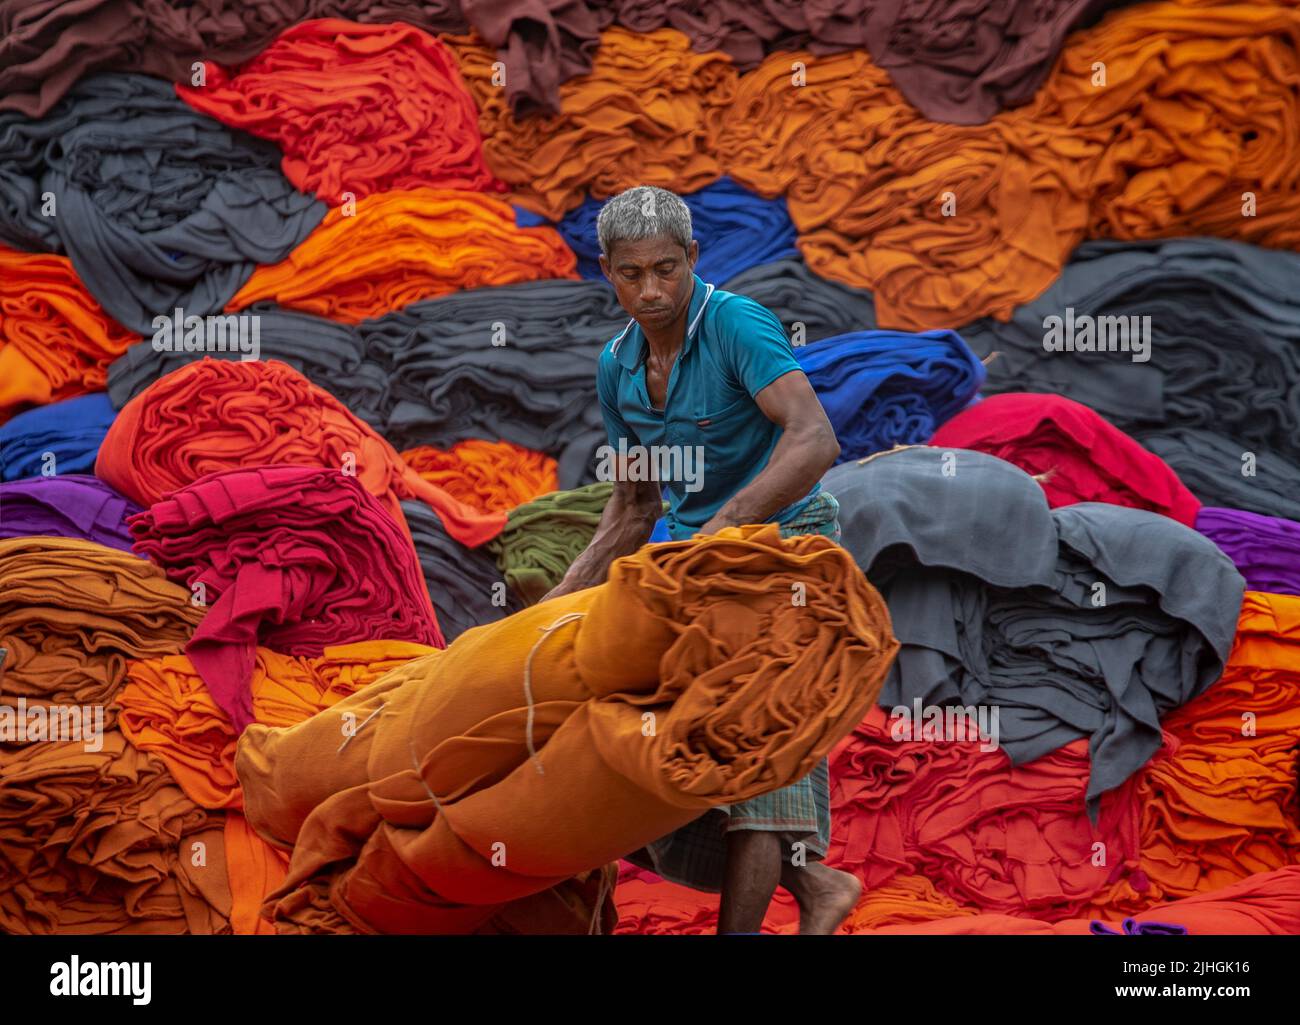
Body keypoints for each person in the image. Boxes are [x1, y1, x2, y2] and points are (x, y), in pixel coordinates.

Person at [541, 184, 862, 934]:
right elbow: (635, 506)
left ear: (693, 258)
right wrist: (556, 600)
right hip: (697, 570)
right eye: (631, 274)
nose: (650, 291)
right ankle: (815, 887)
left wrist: (727, 525)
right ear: (606, 271)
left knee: (753, 741)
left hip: (789, 549)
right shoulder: (618, 366)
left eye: (666, 269)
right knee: (641, 739)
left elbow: (814, 438)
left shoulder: (735, 325)